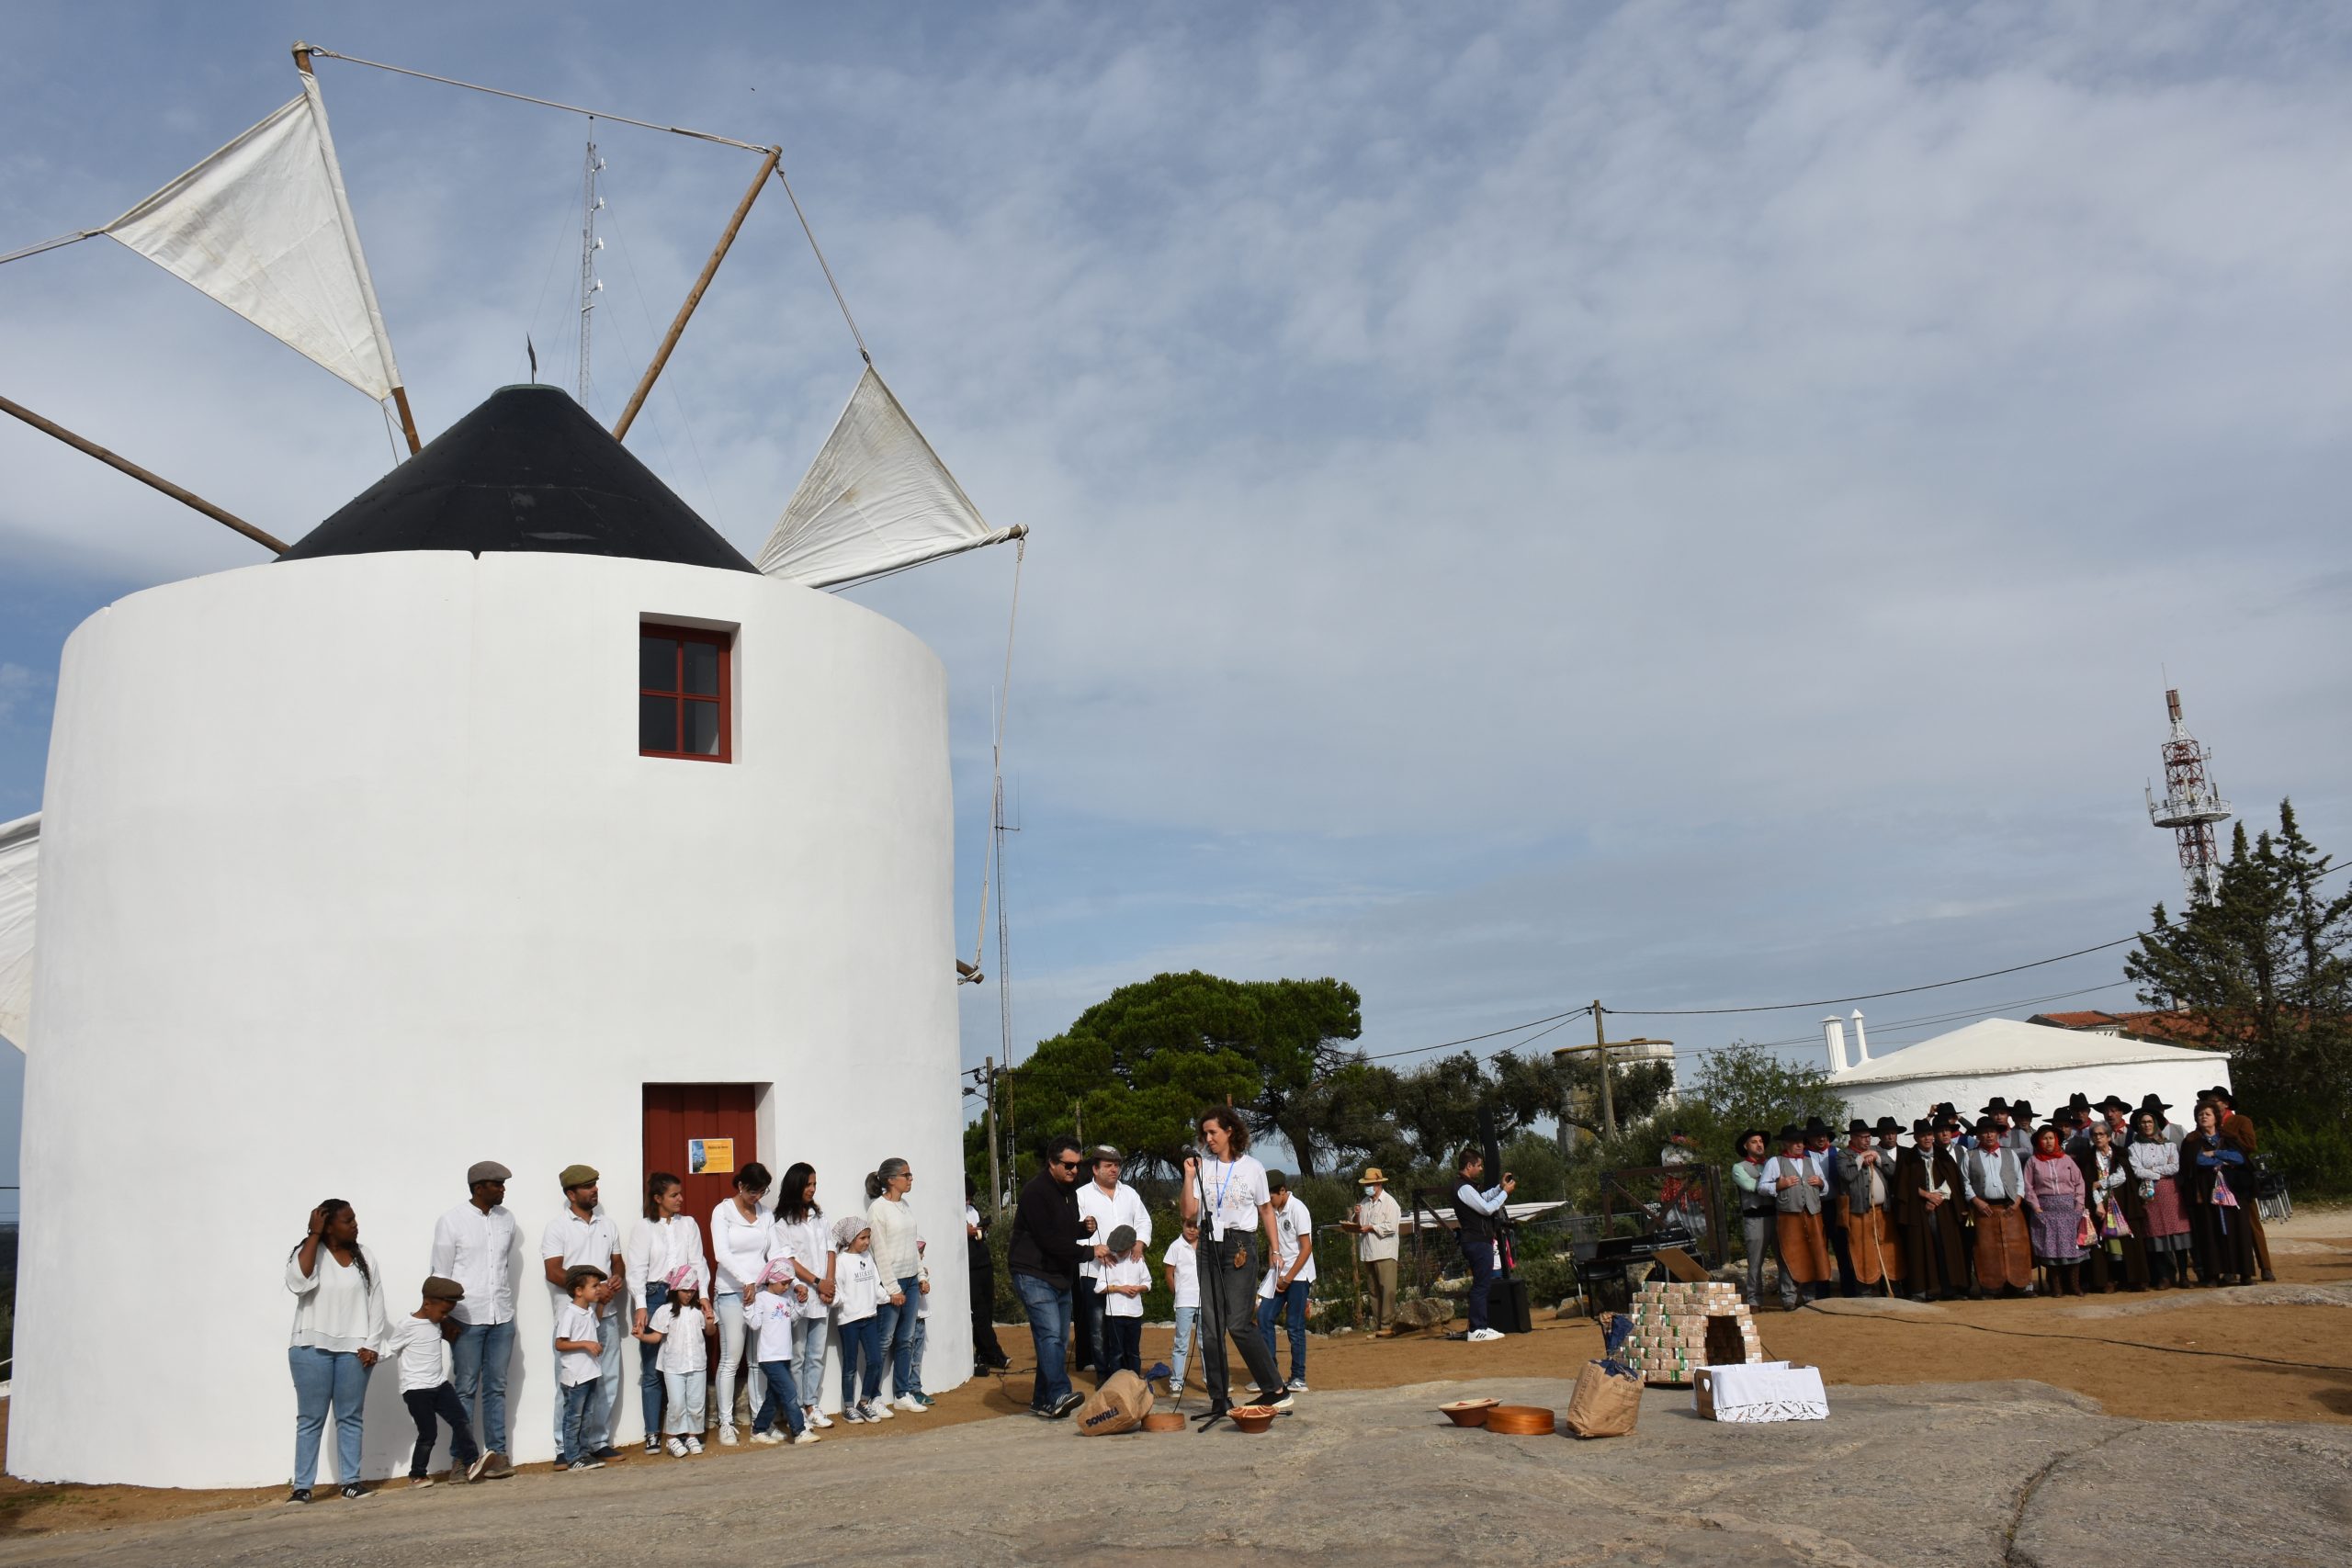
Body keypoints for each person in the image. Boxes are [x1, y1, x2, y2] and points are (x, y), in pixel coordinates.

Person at [1179, 1105, 1295, 1416]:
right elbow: (1189, 1213)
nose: (1208, 1138)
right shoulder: (1202, 1166)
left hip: (1240, 1246)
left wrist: (1275, 1249)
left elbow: (1266, 1210)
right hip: (1208, 1246)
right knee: (1210, 1325)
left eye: (1213, 1132)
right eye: (1204, 1134)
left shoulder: (1253, 1168)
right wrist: (1189, 1176)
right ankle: (1219, 1398)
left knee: (1238, 1323)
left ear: (1230, 1131)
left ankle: (1276, 1389)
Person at [286, 1198, 390, 1504]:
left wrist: (372, 1344)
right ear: (329, 1226)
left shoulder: (365, 1256)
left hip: (354, 1350)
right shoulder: (310, 1253)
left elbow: (376, 1302)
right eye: (348, 1221)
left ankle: (351, 1482)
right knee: (310, 1419)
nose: (355, 1224)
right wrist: (314, 1235)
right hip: (310, 1347)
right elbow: (298, 1283)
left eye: (355, 1219)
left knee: (350, 1417)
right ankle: (302, 1487)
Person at [429, 1160, 518, 1480]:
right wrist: (444, 1320)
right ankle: (461, 1459)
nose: (503, 1188)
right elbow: (440, 1274)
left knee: (497, 1387)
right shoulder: (451, 1221)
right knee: (465, 1388)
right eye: (497, 1184)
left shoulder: (507, 1220)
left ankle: (497, 1456)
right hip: (466, 1318)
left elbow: (503, 1267)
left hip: (501, 1316)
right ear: (479, 1188)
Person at [541, 1163, 626, 1464]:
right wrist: (590, 1290)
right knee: (570, 1385)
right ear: (571, 1193)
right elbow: (553, 1271)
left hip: (606, 1314)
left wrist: (614, 1280)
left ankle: (598, 1442)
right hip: (573, 1318)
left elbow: (618, 1263)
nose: (595, 1190)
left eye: (596, 1184)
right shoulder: (557, 1227)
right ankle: (565, 1450)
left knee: (607, 1380)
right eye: (588, 1186)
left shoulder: (608, 1225)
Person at [1007, 1135, 1086, 1419]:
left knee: (1055, 1340)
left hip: (1059, 1275)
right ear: (1051, 1163)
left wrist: (1082, 1230)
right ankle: (1058, 1394)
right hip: (1032, 1272)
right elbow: (1048, 1239)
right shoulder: (1035, 1192)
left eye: (1078, 1166)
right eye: (1068, 1165)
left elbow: (1062, 1230)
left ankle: (1042, 1400)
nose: (1074, 1171)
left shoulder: (1070, 1192)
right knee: (1051, 1335)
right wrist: (1088, 1252)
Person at [627, 1172, 706, 1454]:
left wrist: (704, 1297)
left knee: (686, 1360)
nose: (680, 1199)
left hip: (684, 1295)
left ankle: (686, 1430)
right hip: (654, 1294)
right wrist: (639, 1305)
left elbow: (698, 1261)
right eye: (674, 1195)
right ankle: (652, 1431)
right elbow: (636, 1268)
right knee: (652, 1367)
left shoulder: (689, 1225)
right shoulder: (644, 1228)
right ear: (658, 1198)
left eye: (680, 1194)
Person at [384, 1276, 485, 1488]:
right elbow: (390, 1348)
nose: (445, 1316)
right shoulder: (407, 1325)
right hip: (416, 1389)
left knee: (461, 1421)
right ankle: (417, 1474)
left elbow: (442, 1328)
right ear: (427, 1304)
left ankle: (471, 1462)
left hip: (439, 1385)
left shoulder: (437, 1321)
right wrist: (370, 1355)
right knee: (429, 1433)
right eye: (443, 1312)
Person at [1073, 1145, 1151, 1387]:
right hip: (1093, 1271)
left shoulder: (1130, 1194)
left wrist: (1140, 1243)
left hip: (1125, 1270)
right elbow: (1075, 1230)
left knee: (1124, 1326)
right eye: (1108, 1165)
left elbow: (1143, 1220)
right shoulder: (1082, 1195)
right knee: (1097, 1328)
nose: (1114, 1169)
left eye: (1116, 1165)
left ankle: (1127, 1374)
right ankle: (1103, 1376)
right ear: (1095, 1169)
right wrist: (1096, 1252)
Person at [709, 1162, 776, 1444]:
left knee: (758, 1360)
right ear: (740, 1186)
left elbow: (774, 1251)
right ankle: (726, 1422)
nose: (757, 1197)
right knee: (730, 1359)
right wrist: (745, 1280)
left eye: (762, 1192)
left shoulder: (766, 1214)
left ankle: (759, 1423)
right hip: (731, 1292)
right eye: (753, 1191)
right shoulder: (722, 1211)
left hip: (760, 1291)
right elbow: (721, 1253)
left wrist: (772, 1280)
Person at [770, 1162, 838, 1432]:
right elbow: (789, 1259)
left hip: (823, 1296)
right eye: (808, 1184)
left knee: (816, 1354)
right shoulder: (783, 1222)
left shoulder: (819, 1217)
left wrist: (829, 1282)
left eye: (814, 1185)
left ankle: (812, 1405)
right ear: (795, 1186)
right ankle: (795, 1407)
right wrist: (817, 1282)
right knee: (797, 1355)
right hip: (799, 1294)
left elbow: (830, 1249)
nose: (812, 1189)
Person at [865, 1157, 930, 1414]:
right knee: (883, 1341)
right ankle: (873, 1396)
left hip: (911, 1281)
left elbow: (913, 1246)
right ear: (891, 1180)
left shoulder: (905, 1205)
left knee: (906, 1339)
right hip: (892, 1283)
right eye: (906, 1175)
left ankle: (902, 1393)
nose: (910, 1179)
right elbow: (878, 1251)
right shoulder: (877, 1209)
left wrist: (921, 1275)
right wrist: (893, 1288)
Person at [639, 1265, 713, 1455]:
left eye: (691, 1290)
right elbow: (656, 1337)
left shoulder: (699, 1310)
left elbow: (710, 1332)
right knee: (677, 1403)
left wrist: (710, 1319)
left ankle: (692, 1436)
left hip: (697, 1365)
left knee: (696, 1403)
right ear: (675, 1290)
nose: (688, 1294)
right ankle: (672, 1438)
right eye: (684, 1290)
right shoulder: (665, 1311)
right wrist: (641, 1336)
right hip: (673, 1367)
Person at [2182, 1103, 2256, 1286]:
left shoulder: (2229, 1138)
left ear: (2216, 1117)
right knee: (2210, 1232)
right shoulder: (2192, 1141)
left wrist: (2215, 1153)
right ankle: (2213, 1275)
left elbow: (2239, 1158)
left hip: (2232, 1192)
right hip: (2207, 1193)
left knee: (2238, 1230)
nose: (2204, 1117)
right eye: (2200, 1114)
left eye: (2207, 1114)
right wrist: (2222, 1160)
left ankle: (2244, 1273)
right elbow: (2197, 1160)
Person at [1255, 1169, 1316, 1391]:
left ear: (1282, 1191)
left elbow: (1306, 1247)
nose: (1267, 1201)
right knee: (1263, 1316)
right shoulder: (1272, 1211)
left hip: (1298, 1275)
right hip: (1279, 1274)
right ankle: (1271, 1375)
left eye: (1270, 1196)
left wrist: (1289, 1278)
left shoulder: (1298, 1209)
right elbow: (1274, 1241)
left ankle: (1298, 1377)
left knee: (1294, 1325)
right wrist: (1274, 1263)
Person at [2208, 1087, 2277, 1281]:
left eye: (2216, 1101)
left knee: (2252, 1224)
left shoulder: (2240, 1121)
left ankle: (2265, 1266)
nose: (2212, 1105)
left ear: (2226, 1103)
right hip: (2220, 1180)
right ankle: (2231, 1267)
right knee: (2226, 1224)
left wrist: (2225, 1133)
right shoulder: (2208, 1125)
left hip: (2240, 1178)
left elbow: (2250, 1145)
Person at [1894, 1119, 1967, 1301]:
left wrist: (1937, 1198)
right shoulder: (1908, 1159)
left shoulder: (1943, 1156)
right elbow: (1903, 1186)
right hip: (1917, 1210)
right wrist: (1926, 1196)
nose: (1926, 1139)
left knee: (1946, 1247)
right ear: (1916, 1138)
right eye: (1922, 1136)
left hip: (1943, 1208)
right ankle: (1921, 1291)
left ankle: (1949, 1289)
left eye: (1928, 1135)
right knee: (1920, 1248)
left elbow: (1953, 1182)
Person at [745, 1263, 817, 1445]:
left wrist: (800, 1303)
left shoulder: (786, 1298)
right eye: (784, 1283)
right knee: (790, 1392)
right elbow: (754, 1323)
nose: (787, 1287)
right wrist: (747, 1307)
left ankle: (759, 1429)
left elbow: (791, 1318)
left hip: (784, 1355)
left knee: (775, 1396)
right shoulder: (761, 1298)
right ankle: (799, 1431)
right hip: (769, 1357)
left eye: (789, 1283)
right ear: (772, 1280)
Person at [1964, 1118, 2035, 1297]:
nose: (1989, 1135)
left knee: (2018, 1246)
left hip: (2010, 1207)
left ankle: (2022, 1285)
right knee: (1987, 1249)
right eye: (1984, 1132)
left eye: (1992, 1131)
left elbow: (2020, 1179)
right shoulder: (1970, 1155)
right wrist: (1976, 1200)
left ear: (1997, 1134)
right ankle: (1991, 1287)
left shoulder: (2009, 1154)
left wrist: (2018, 1199)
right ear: (1978, 1135)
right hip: (1984, 1209)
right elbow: (1964, 1182)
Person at [831, 1213, 890, 1422]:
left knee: (875, 1360)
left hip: (870, 1318)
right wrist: (835, 1301)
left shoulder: (868, 1258)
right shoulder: (841, 1261)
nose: (866, 1242)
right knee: (850, 1365)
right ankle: (848, 1407)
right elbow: (837, 1290)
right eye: (862, 1238)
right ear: (850, 1238)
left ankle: (864, 1402)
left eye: (868, 1238)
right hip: (849, 1322)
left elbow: (876, 1286)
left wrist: (890, 1297)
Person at [2074, 1121, 2145, 1293]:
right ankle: (2107, 1281)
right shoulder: (2088, 1158)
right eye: (2094, 1135)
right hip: (2099, 1203)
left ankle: (2133, 1280)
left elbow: (2122, 1176)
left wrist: (2102, 1182)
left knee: (2127, 1242)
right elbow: (2089, 1183)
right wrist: (2098, 1203)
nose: (2098, 1138)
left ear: (2109, 1136)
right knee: (2104, 1245)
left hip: (2123, 1202)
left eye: (2101, 1134)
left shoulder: (2120, 1154)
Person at [1451, 1148, 1515, 1341]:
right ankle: (1476, 1329)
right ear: (1469, 1166)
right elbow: (1486, 1209)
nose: (1480, 1169)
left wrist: (1498, 1188)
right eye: (1478, 1165)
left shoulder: (1466, 1187)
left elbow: (1482, 1200)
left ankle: (1480, 1326)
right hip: (1476, 1241)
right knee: (1481, 1284)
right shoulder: (1463, 1187)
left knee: (1483, 1283)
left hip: (1479, 1240)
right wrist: (1504, 1193)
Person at [1763, 1126, 1830, 1307]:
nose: (1799, 1145)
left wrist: (1821, 1182)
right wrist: (1779, 1185)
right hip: (1789, 1216)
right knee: (1789, 1255)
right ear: (1786, 1143)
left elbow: (1826, 1189)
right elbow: (1762, 1187)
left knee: (1812, 1253)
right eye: (1795, 1142)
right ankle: (1789, 1298)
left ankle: (1809, 1296)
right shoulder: (1775, 1162)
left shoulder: (1811, 1162)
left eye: (1801, 1142)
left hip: (1812, 1214)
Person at [2127, 1109, 2193, 1289]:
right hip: (2150, 1193)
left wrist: (2152, 1171)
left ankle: (2184, 1275)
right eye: (2143, 1122)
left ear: (2155, 1124)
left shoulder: (2169, 1145)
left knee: (2178, 1233)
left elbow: (2175, 1167)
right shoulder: (2134, 1148)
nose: (2146, 1125)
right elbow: (2137, 1170)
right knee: (2157, 1235)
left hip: (2171, 1192)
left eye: (2149, 1122)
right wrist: (2160, 1171)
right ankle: (2164, 1276)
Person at [1837, 1119, 1902, 1294]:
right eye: (1863, 1137)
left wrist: (1878, 1159)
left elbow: (1894, 1171)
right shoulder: (1844, 1155)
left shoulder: (1878, 1150)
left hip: (1883, 1210)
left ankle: (1891, 1286)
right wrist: (1860, 1160)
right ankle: (1865, 1289)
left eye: (1868, 1137)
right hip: (1859, 1211)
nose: (1867, 1140)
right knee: (1862, 1250)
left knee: (1888, 1248)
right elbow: (1847, 1175)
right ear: (1853, 1138)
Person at [554, 1265, 608, 1472]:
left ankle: (584, 1453)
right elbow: (560, 1344)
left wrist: (602, 1304)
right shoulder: (570, 1314)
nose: (598, 1289)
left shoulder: (588, 1312)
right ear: (578, 1290)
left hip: (590, 1373)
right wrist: (586, 1344)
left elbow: (595, 1324)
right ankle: (572, 1456)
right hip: (575, 1376)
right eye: (594, 1286)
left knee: (587, 1416)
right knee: (573, 1418)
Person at [2022, 1126, 2088, 1296]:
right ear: (2039, 1141)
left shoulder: (2066, 1160)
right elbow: (2028, 1187)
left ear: (2057, 1140)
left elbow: (2079, 1182)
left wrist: (2078, 1205)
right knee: (2051, 1249)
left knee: (2074, 1249)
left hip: (2069, 1210)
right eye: (2044, 1138)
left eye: (2051, 1138)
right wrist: (2037, 1208)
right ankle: (2056, 1287)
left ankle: (2074, 1286)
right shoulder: (2033, 1162)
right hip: (2046, 1211)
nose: (2048, 1142)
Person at [1339, 1167, 1402, 1335]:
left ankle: (1387, 1325)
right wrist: (1357, 1216)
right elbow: (1358, 1224)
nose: (1368, 1187)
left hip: (1385, 1252)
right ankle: (1378, 1326)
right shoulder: (1365, 1202)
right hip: (1368, 1252)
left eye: (1371, 1183)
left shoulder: (1390, 1203)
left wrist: (1372, 1227)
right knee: (1373, 1290)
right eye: (1367, 1184)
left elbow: (1391, 1227)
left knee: (1387, 1289)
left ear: (1379, 1183)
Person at [1803, 1118, 1856, 1297]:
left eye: (1823, 1135)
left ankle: (1848, 1289)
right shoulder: (1803, 1156)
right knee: (1818, 1249)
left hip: (1836, 1205)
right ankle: (1822, 1292)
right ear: (1808, 1138)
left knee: (1842, 1247)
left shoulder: (1837, 1152)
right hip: (1814, 1208)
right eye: (1816, 1135)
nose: (1821, 1138)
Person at [1730, 1130, 1781, 1307]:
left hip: (1776, 1215)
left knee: (1784, 1257)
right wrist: (1777, 1185)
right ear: (1746, 1146)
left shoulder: (1772, 1163)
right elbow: (1751, 1186)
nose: (1759, 1144)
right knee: (1755, 1261)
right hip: (1754, 1219)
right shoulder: (1739, 1167)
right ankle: (1754, 1299)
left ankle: (1788, 1296)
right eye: (1754, 1142)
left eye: (1761, 1141)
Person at [967, 1175, 1010, 1374]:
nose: (968, 1200)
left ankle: (985, 1351)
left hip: (984, 1262)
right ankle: (994, 1353)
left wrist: (982, 1229)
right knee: (979, 1312)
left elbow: (982, 1235)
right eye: (966, 1197)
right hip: (970, 1266)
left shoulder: (973, 1210)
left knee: (988, 1308)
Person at [1099, 1224, 1149, 1377]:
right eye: (1117, 1250)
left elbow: (1148, 1283)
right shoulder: (1110, 1262)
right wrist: (1119, 1288)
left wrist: (1138, 1288)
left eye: (1122, 1250)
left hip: (1134, 1313)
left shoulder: (1138, 1261)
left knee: (1133, 1351)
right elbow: (1099, 1287)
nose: (1119, 1253)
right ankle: (1116, 1382)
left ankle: (1134, 1381)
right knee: (1116, 1351)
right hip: (1115, 1313)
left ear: (1131, 1246)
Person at [1163, 1217, 1201, 1398]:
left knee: (1206, 1343)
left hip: (1204, 1300)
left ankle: (1213, 1381)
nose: (1192, 1230)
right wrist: (1178, 1293)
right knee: (1181, 1342)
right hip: (1185, 1300)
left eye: (1196, 1227)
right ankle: (1176, 1382)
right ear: (1183, 1225)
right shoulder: (1175, 1246)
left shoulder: (1205, 1246)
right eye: (1189, 1226)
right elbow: (1169, 1274)